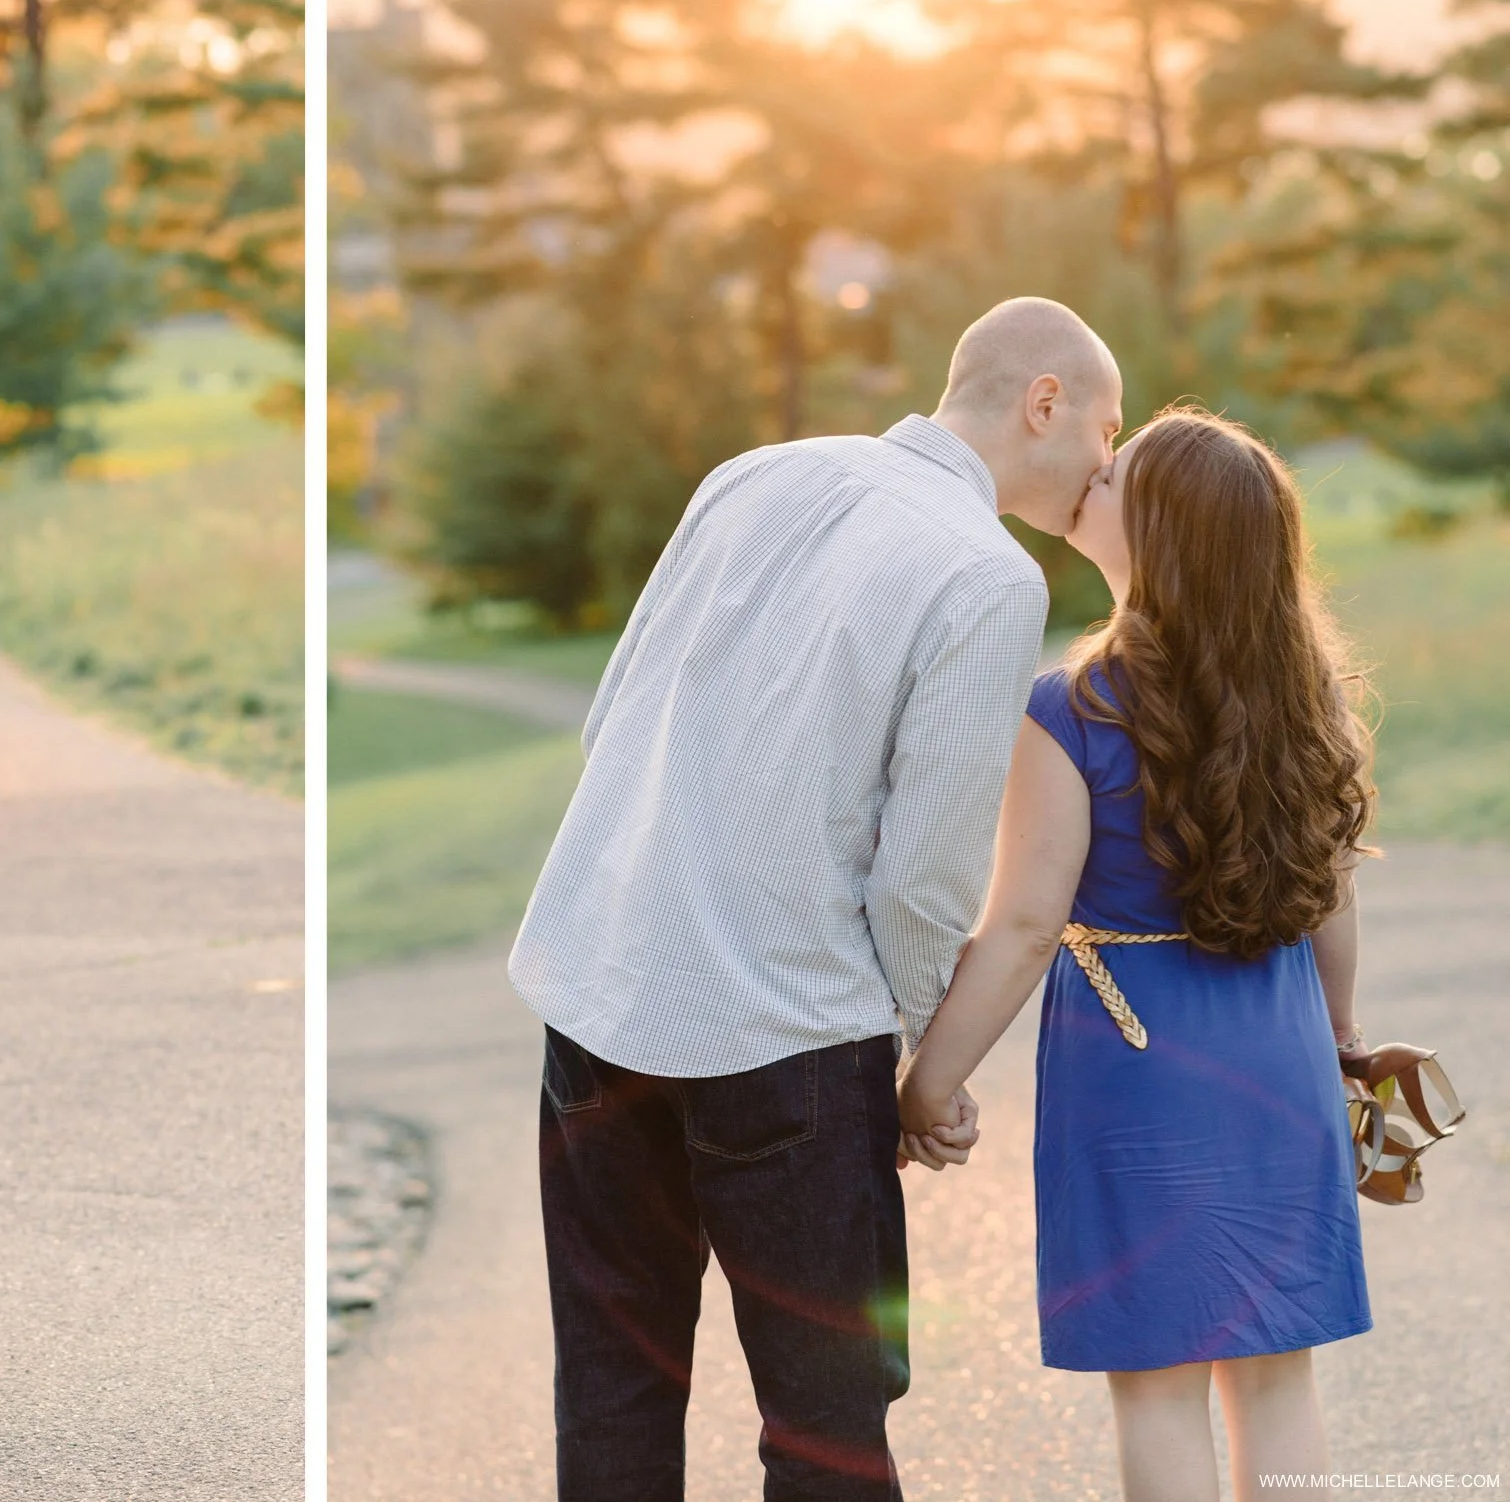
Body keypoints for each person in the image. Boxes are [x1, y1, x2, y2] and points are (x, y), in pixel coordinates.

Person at [507, 296, 1124, 1501]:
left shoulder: (751, 475)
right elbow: (925, 877)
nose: (1109, 458)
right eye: (1106, 427)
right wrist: (902, 1072)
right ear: (1044, 402)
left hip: (597, 985)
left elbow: (613, 715)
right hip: (786, 1040)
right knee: (826, 1426)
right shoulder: (986, 579)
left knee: (613, 1388)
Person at [896, 407, 1373, 1501]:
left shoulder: (1069, 708)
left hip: (1137, 1055)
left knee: (1158, 1383)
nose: (1090, 478)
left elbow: (1021, 925)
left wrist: (930, 1084)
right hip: (1282, 1045)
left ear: (1159, 536)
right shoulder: (1310, 695)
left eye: (1113, 477)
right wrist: (1337, 1037)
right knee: (1274, 1371)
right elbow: (1334, 900)